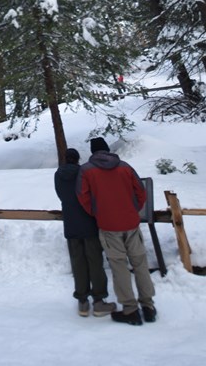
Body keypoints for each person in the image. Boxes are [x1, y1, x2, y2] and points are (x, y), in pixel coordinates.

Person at [77, 137, 157, 326]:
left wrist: (98, 213)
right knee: (140, 263)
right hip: (131, 222)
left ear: (92, 152)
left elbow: (83, 197)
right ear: (107, 149)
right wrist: (132, 209)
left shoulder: (86, 171)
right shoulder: (125, 167)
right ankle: (148, 306)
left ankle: (130, 309)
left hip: (108, 225)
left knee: (119, 266)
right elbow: (141, 192)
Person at [54, 147, 116, 318]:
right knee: (95, 261)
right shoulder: (84, 172)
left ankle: (82, 301)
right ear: (78, 159)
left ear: (65, 158)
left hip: (70, 223)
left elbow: (61, 195)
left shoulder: (58, 175)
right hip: (88, 222)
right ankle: (98, 301)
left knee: (78, 263)